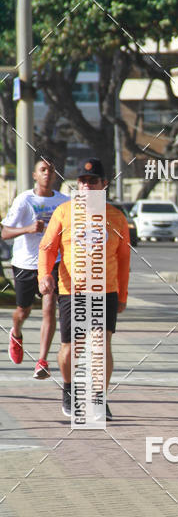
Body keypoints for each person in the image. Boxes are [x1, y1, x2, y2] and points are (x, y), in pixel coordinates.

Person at [38, 158, 131, 420]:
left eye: (93, 181)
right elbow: (47, 248)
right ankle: (69, 391)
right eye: (82, 181)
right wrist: (44, 276)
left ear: (104, 185)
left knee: (101, 346)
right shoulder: (64, 212)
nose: (87, 186)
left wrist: (122, 294)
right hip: (72, 291)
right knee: (71, 347)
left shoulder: (116, 217)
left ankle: (99, 398)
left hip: (106, 291)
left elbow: (124, 259)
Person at [2, 156, 69, 378]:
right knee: (23, 311)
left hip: (53, 262)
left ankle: (42, 361)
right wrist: (28, 229)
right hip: (25, 262)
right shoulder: (24, 201)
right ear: (35, 175)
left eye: (50, 170)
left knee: (50, 306)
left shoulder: (63, 201)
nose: (47, 174)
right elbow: (4, 232)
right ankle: (16, 332)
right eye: (43, 170)